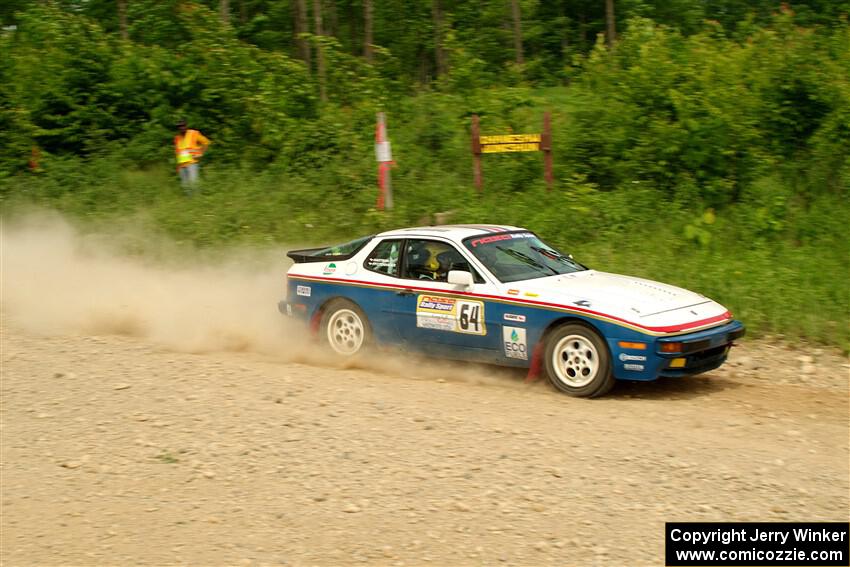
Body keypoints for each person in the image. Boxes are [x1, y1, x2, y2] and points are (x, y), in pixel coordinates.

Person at [174, 119, 210, 190]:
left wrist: (201, 153)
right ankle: (189, 200)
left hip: (192, 163)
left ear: (186, 126)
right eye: (179, 126)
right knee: (185, 186)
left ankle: (197, 200)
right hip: (182, 165)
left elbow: (206, 142)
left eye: (183, 126)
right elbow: (178, 152)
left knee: (194, 184)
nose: (181, 128)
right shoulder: (177, 138)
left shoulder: (193, 133)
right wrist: (178, 166)